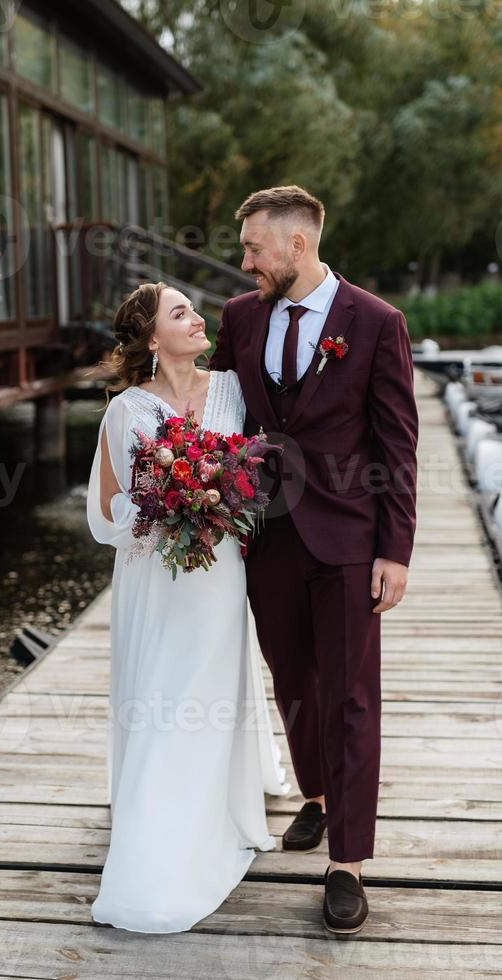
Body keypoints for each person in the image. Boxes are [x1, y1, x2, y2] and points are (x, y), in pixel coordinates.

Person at [210, 184, 419, 935]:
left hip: (349, 538)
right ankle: (319, 795)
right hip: (265, 533)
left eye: (254, 249)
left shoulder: (375, 322)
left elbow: (397, 443)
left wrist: (395, 548)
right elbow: (212, 407)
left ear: (297, 245)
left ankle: (347, 864)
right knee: (292, 676)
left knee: (351, 695)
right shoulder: (240, 318)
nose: (246, 263)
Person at [86, 281, 290, 934]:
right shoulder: (126, 412)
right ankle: (155, 829)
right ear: (152, 338)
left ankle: (214, 805)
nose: (198, 318)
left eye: (194, 310)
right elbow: (111, 506)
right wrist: (171, 500)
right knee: (160, 695)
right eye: (181, 313)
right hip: (155, 582)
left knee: (208, 690)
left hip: (218, 575)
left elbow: (262, 470)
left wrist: (218, 493)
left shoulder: (233, 389)